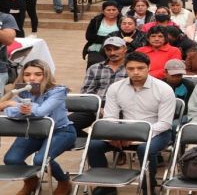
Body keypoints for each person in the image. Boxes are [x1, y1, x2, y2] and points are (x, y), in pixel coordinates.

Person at [87, 52, 176, 195]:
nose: (136, 72)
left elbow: (165, 123)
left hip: (157, 132)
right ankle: (106, 187)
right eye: (131, 69)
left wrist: (135, 136)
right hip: (124, 132)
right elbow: (110, 117)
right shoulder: (115, 88)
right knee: (93, 146)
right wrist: (116, 134)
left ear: (149, 67)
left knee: (144, 149)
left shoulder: (164, 89)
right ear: (125, 69)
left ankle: (148, 186)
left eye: (140, 68)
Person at [1, 59, 76, 195]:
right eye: (27, 74)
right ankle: (31, 181)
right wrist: (18, 107)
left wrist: (13, 104)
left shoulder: (58, 91)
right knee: (11, 159)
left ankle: (64, 181)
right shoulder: (23, 90)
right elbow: (10, 113)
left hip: (61, 131)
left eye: (38, 74)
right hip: (34, 132)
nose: (32, 78)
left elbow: (42, 112)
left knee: (40, 160)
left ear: (46, 75)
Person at [72, 36, 128, 137]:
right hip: (96, 105)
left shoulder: (132, 68)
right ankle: (89, 139)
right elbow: (86, 92)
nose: (112, 53)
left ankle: (97, 141)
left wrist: (112, 110)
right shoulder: (95, 68)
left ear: (124, 49)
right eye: (108, 49)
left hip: (123, 107)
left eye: (116, 49)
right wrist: (97, 108)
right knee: (64, 125)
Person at [83, 1, 121, 68]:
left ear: (118, 11)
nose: (111, 12)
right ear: (103, 11)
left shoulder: (123, 21)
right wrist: (110, 39)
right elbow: (89, 36)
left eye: (114, 10)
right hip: (97, 48)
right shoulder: (96, 20)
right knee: (95, 63)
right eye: (108, 10)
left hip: (117, 48)